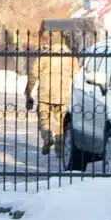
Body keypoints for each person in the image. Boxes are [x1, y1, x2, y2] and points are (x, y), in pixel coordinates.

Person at [25, 24, 77, 156]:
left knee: (44, 118)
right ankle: (59, 148)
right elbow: (77, 76)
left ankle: (47, 137)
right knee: (61, 121)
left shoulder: (45, 55)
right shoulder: (70, 56)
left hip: (45, 93)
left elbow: (33, 74)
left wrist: (28, 92)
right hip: (63, 94)